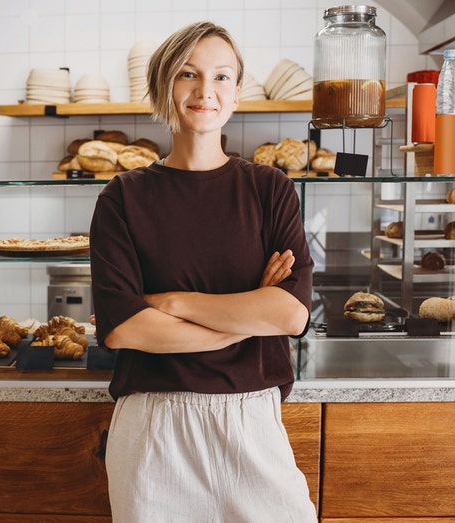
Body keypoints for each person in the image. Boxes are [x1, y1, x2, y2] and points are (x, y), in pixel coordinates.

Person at [89, 21, 316, 522]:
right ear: (162, 87)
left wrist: (174, 303)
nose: (204, 90)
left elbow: (288, 315)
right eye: (188, 74)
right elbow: (126, 326)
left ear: (236, 94)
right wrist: (242, 315)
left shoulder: (269, 188)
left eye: (221, 76)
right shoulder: (123, 197)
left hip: (251, 419)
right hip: (153, 427)